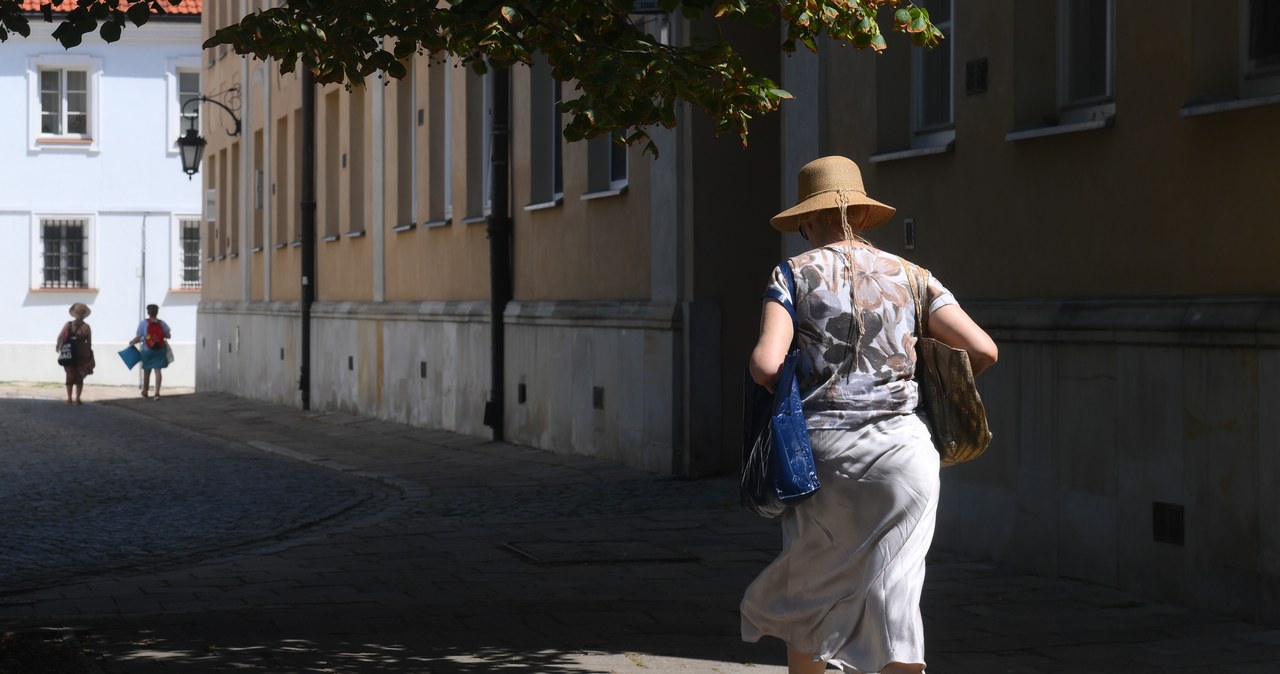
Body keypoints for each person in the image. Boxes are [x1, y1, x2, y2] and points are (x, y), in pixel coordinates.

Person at [740, 156, 998, 674]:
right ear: (859, 215)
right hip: (906, 454)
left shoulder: (792, 274)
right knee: (896, 595)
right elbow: (984, 350)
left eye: (802, 225)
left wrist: (788, 382)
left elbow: (766, 363)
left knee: (810, 593)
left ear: (808, 220)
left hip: (824, 457)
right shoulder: (914, 276)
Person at [56, 302, 96, 405]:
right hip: (83, 353)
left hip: (70, 352)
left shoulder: (69, 325)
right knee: (79, 376)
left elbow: (61, 336)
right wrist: (88, 353)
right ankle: (78, 398)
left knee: (70, 374)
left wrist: (58, 346)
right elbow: (89, 342)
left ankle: (69, 398)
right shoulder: (87, 327)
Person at [129, 304, 171, 400]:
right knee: (158, 371)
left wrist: (132, 342)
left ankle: (145, 392)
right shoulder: (162, 323)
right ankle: (157, 393)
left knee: (147, 372)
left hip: (147, 350)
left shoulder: (143, 323)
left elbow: (139, 336)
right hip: (159, 350)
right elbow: (168, 335)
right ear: (157, 312)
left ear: (148, 312)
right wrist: (161, 335)